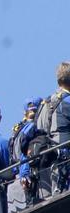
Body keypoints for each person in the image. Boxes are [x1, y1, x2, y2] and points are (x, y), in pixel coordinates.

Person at [36, 62, 70, 195]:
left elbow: (38, 130)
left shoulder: (44, 104)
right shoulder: (67, 101)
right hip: (66, 157)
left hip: (50, 161)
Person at [7, 98, 46, 212]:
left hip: (16, 174)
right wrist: (25, 172)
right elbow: (24, 149)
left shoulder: (17, 128)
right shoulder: (32, 126)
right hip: (26, 171)